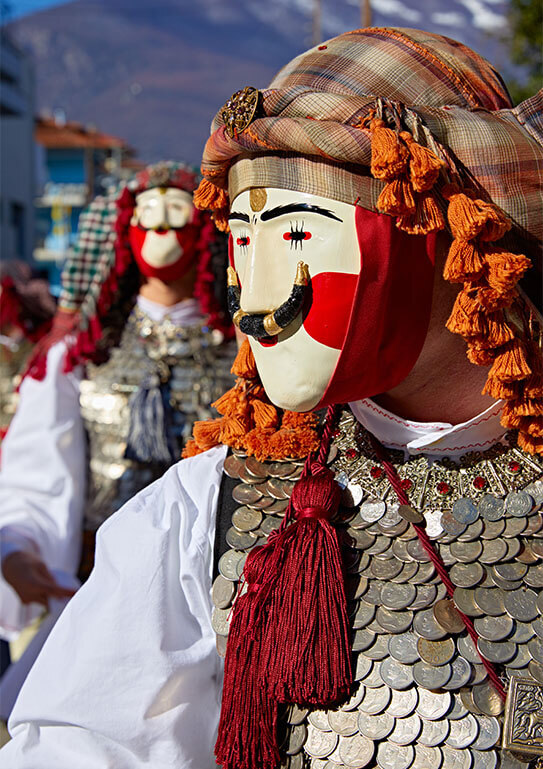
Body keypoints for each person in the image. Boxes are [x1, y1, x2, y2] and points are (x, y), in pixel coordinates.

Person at [2, 28, 542, 769]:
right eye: (245, 239)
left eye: (296, 231)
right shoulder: (199, 512)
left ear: (448, 238)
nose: (254, 304)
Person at [0, 161, 235, 719]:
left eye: (176, 216)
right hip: (94, 593)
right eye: (148, 217)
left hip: (217, 595)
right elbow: (37, 473)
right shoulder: (80, 355)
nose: (162, 233)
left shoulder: (247, 354)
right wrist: (17, 550)